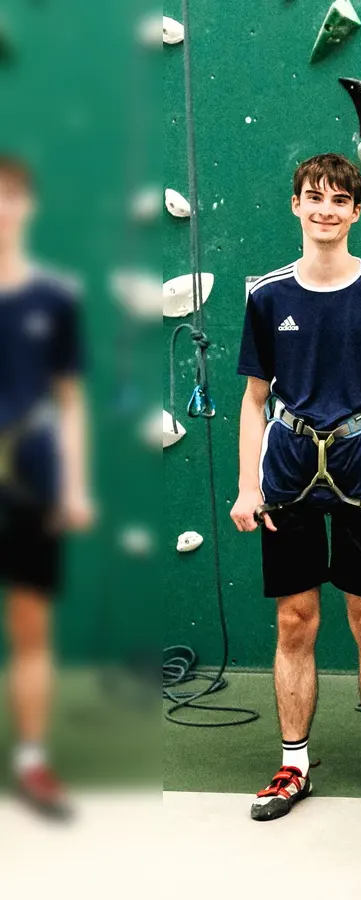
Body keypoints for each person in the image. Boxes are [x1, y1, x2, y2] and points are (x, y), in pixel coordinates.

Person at [229, 153, 361, 821]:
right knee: (295, 619)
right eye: (314, 197)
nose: (325, 209)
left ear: (356, 212)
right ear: (296, 205)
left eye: (339, 200)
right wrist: (246, 487)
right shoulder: (267, 294)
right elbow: (254, 401)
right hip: (285, 470)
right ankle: (292, 766)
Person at [0, 155, 92, 819]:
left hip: (33, 488)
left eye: (9, 198)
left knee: (31, 626)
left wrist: (76, 486)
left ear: (26, 207)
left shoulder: (54, 298)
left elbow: (71, 401)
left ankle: (32, 760)